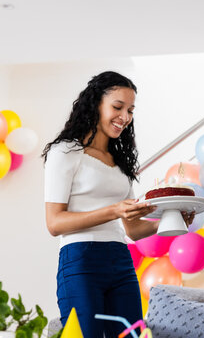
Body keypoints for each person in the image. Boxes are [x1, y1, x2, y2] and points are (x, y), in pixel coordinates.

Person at [42, 71, 194, 337]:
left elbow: (131, 230)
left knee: (131, 335)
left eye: (130, 110)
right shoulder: (65, 152)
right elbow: (54, 223)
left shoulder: (119, 163)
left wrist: (170, 220)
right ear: (95, 104)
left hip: (121, 261)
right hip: (80, 261)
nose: (124, 117)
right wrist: (114, 210)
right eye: (117, 107)